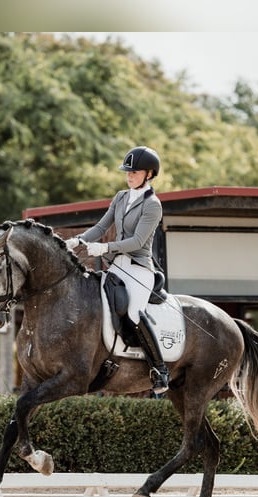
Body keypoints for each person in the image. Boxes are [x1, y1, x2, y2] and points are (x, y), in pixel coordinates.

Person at [65, 146, 169, 395]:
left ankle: (160, 370)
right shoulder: (121, 197)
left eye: (135, 172)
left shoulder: (153, 205)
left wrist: (104, 248)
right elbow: (101, 226)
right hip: (116, 267)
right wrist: (77, 241)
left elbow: (137, 241)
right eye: (128, 171)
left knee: (133, 313)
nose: (129, 176)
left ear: (149, 174)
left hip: (139, 269)